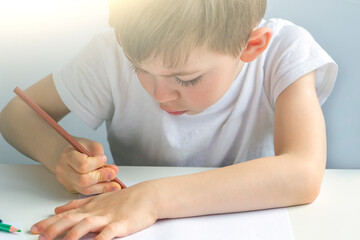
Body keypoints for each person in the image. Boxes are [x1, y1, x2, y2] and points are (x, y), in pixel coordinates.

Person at [0, 0, 338, 239]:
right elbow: (16, 115)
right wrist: (58, 154)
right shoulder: (110, 53)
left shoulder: (284, 52)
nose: (158, 94)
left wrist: (152, 199)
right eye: (139, 70)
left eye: (187, 79)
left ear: (251, 46)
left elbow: (303, 173)